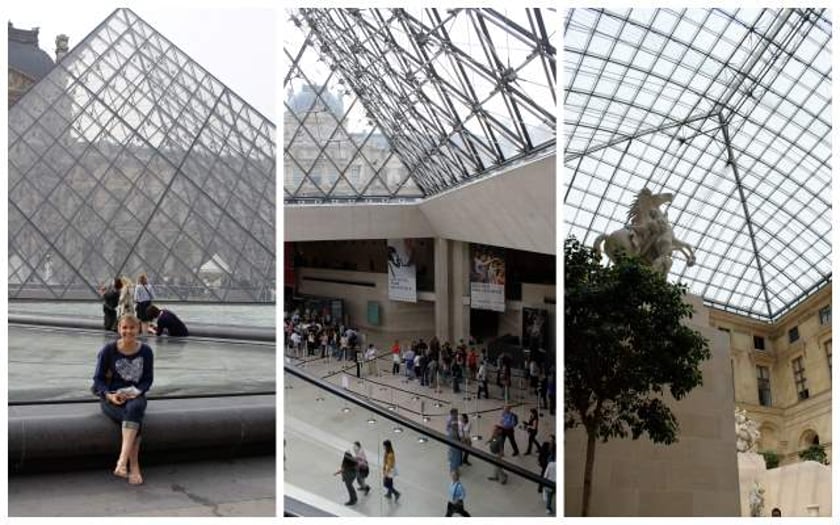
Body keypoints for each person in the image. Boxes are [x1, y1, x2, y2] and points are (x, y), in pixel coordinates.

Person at [91, 314, 154, 486]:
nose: (128, 331)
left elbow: (147, 380)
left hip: (135, 396)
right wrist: (109, 395)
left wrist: (138, 391)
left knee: (134, 409)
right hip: (112, 397)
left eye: (132, 327)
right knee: (135, 419)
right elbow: (98, 380)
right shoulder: (109, 350)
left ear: (138, 329)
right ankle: (134, 466)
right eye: (124, 327)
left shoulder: (146, 352)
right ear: (119, 329)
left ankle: (121, 461)